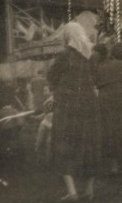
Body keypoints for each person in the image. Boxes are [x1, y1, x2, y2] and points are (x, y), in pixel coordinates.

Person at [46, 22, 102, 201]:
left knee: (64, 144)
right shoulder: (91, 56)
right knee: (88, 144)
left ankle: (72, 192)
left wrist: (56, 90)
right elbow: (95, 79)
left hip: (68, 104)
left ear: (67, 36)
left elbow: (51, 76)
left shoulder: (64, 55)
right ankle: (89, 190)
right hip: (88, 104)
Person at [94, 42, 122, 174]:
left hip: (105, 99)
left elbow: (95, 82)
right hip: (121, 96)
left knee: (109, 130)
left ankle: (114, 166)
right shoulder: (120, 65)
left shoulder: (97, 68)